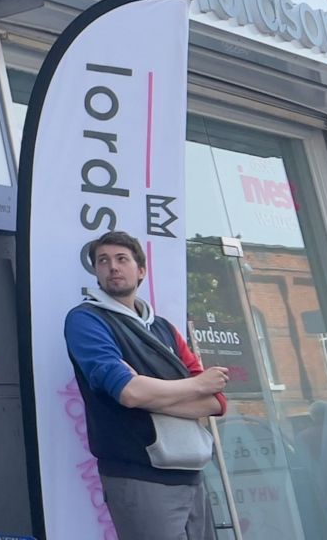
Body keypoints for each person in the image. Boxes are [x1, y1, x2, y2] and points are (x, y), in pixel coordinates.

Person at [64, 230, 228, 540]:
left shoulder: (164, 328)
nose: (112, 266)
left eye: (122, 259)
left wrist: (148, 392)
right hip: (138, 474)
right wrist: (196, 385)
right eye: (103, 261)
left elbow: (216, 403)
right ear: (96, 272)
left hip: (191, 473)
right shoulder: (86, 321)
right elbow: (128, 393)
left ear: (141, 270)